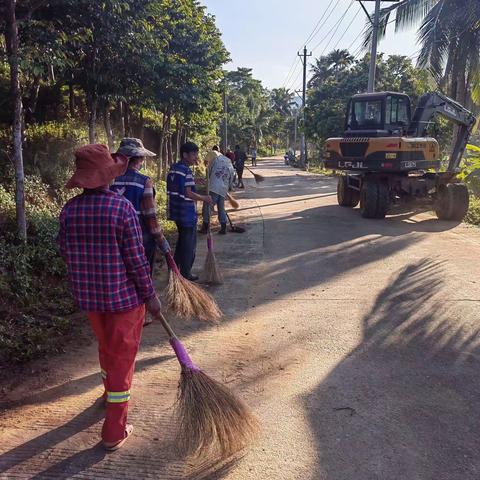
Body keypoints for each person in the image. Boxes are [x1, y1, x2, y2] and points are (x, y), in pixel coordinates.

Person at [57, 144, 162, 451]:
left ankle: (107, 393)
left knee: (106, 350)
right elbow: (136, 261)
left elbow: (65, 251)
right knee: (123, 362)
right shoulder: (121, 209)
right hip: (124, 302)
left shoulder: (69, 210)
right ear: (107, 177)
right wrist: (151, 297)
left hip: (91, 300)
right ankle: (114, 430)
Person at [111, 138, 171, 276]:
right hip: (141, 241)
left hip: (115, 241)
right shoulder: (144, 182)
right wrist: (161, 240)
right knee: (143, 279)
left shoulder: (110, 180)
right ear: (138, 159)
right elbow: (150, 217)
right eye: (142, 158)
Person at [167, 141, 212, 281]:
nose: (196, 156)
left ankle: (174, 269)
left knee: (182, 241)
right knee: (188, 244)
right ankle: (186, 272)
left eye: (197, 153)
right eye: (193, 154)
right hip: (186, 213)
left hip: (176, 211)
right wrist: (205, 198)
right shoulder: (186, 170)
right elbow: (188, 193)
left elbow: (181, 185)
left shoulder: (174, 168)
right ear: (185, 154)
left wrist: (195, 181)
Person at [200, 149, 235, 235]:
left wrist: (208, 181)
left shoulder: (217, 159)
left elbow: (209, 171)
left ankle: (205, 226)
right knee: (221, 207)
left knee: (207, 207)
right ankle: (223, 227)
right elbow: (231, 178)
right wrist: (229, 187)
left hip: (213, 187)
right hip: (223, 189)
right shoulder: (230, 164)